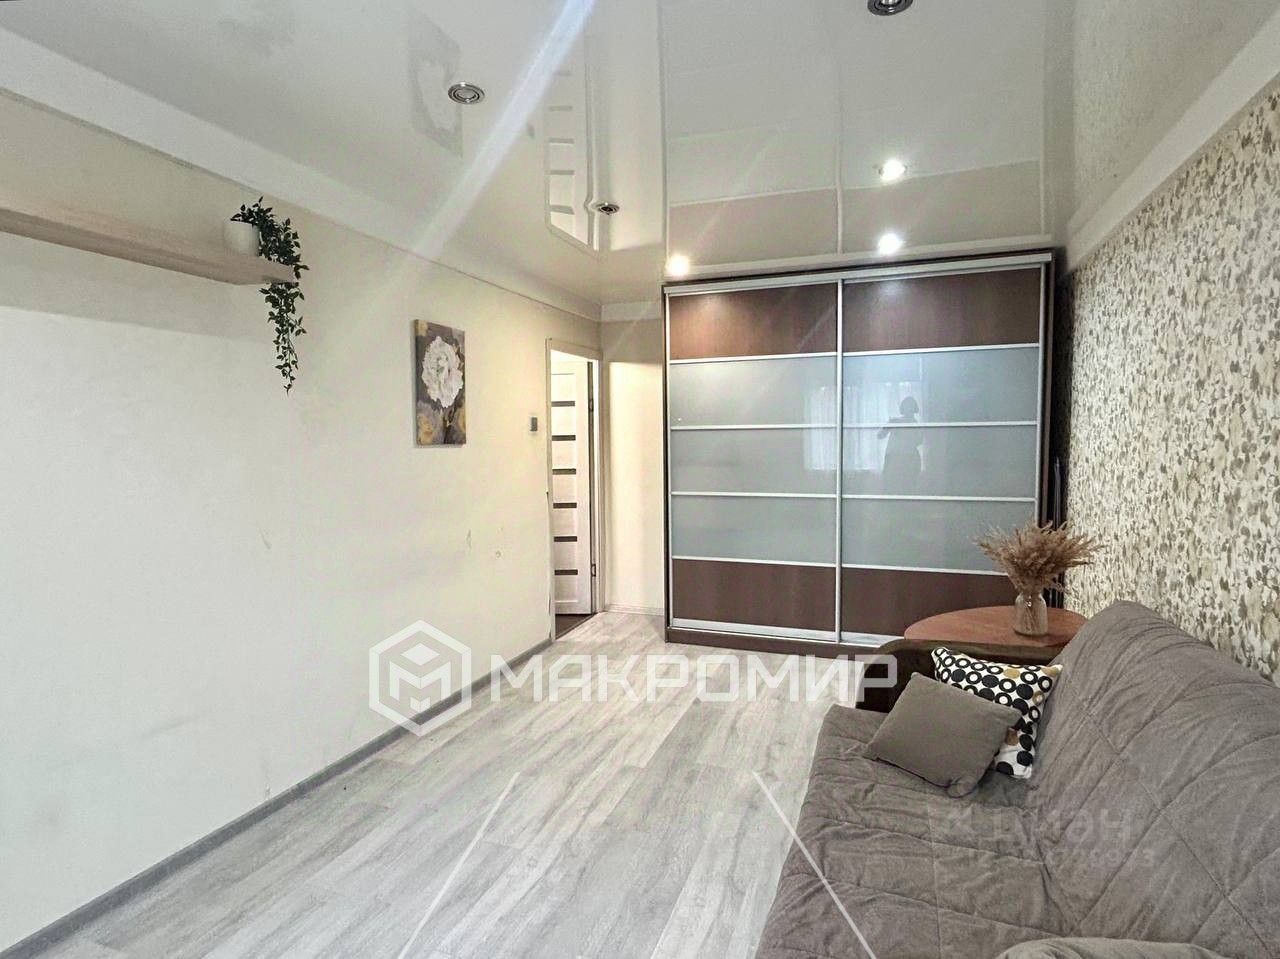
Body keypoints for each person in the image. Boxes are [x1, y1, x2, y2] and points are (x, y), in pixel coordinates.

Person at [879, 396, 923, 493]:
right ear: (903, 408)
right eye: (906, 406)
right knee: (891, 486)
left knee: (908, 486)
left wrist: (905, 436)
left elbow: (919, 441)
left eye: (911, 407)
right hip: (893, 458)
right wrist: (889, 425)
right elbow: (880, 435)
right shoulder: (895, 422)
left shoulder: (916, 424)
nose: (909, 409)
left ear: (914, 408)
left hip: (909, 458)